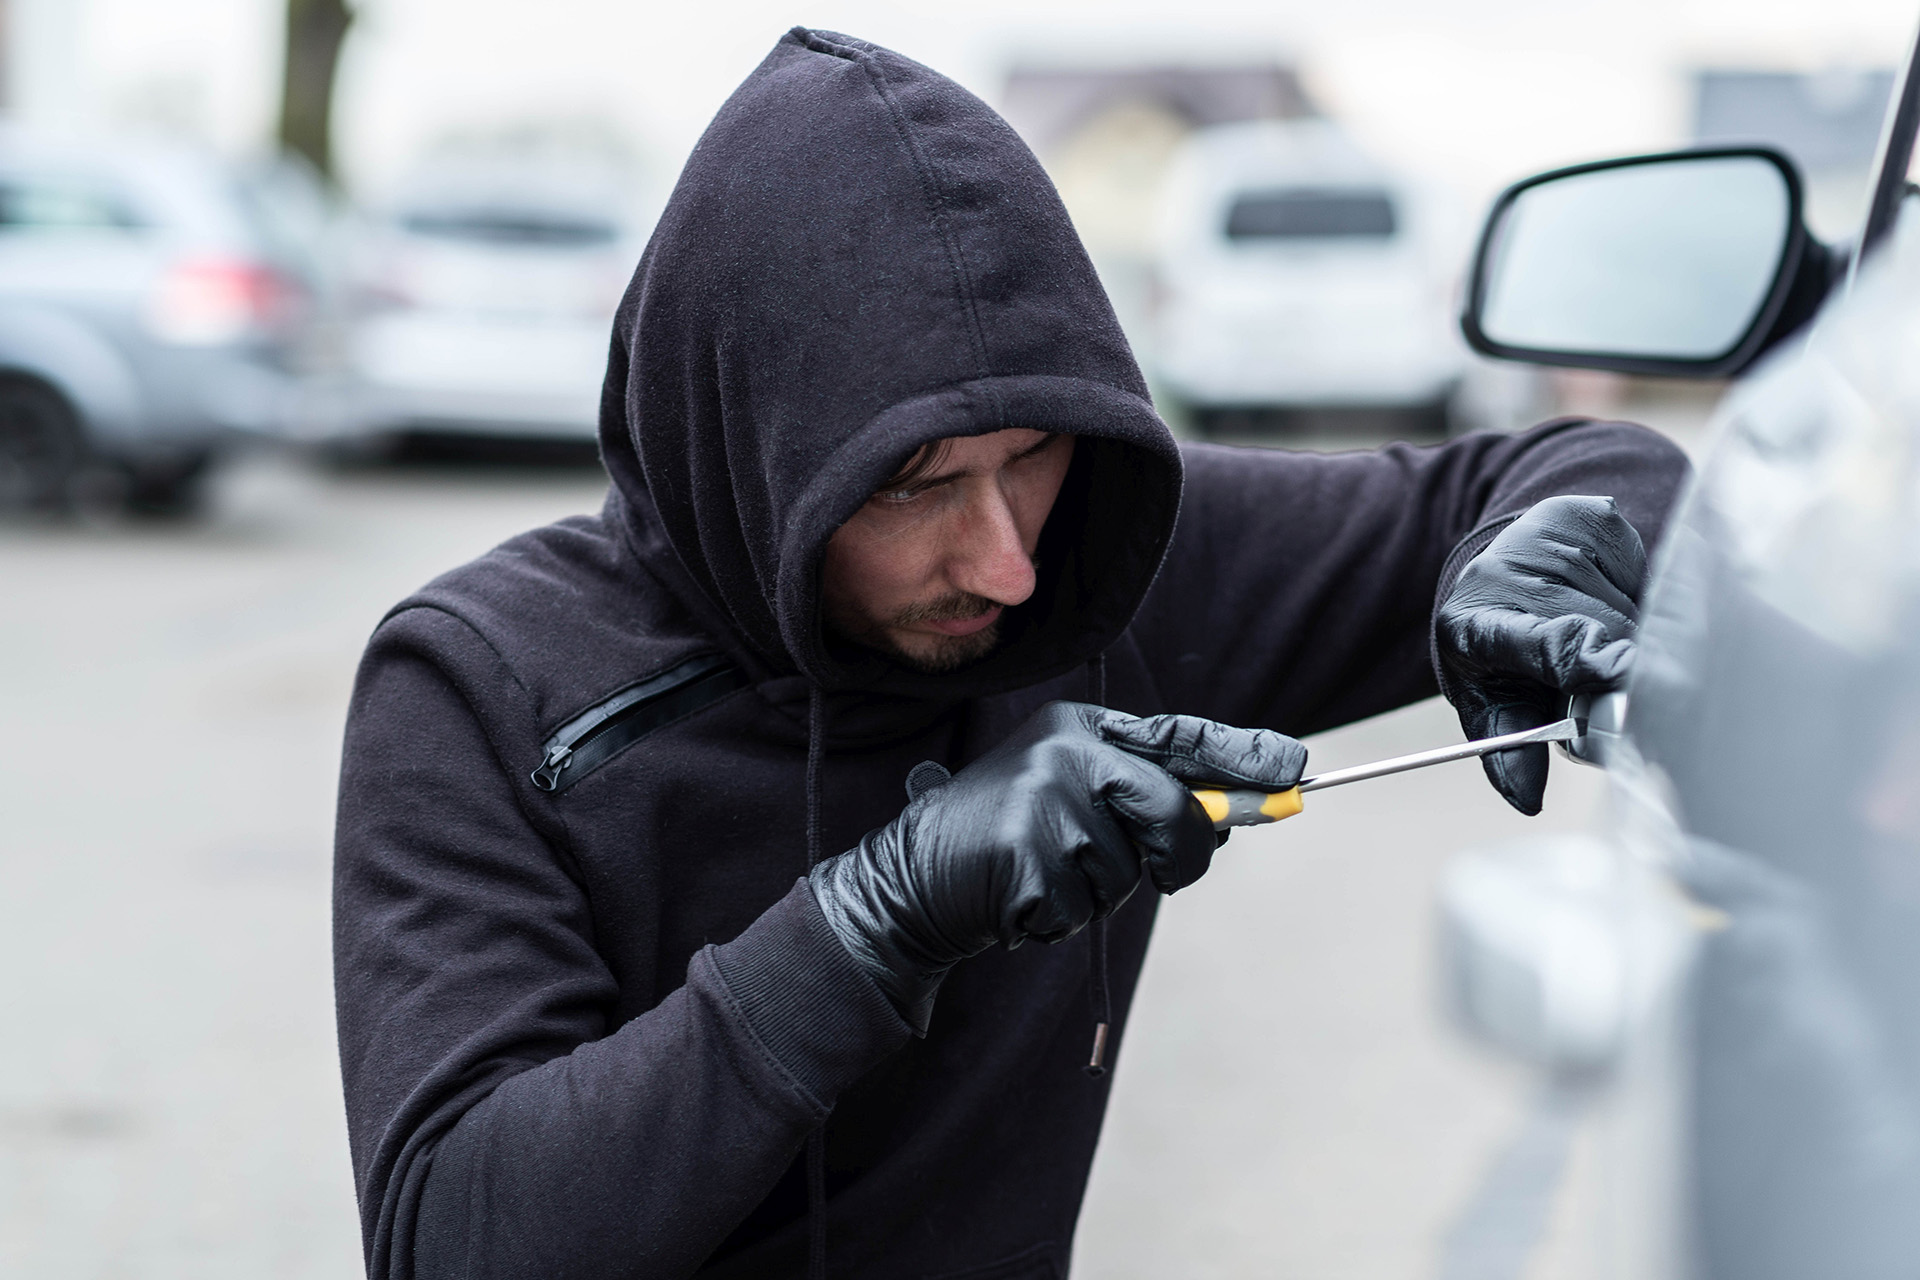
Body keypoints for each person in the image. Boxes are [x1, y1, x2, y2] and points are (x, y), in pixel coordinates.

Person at [332, 28, 1689, 1280]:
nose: (1005, 564)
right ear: (752, 447)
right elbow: (454, 1241)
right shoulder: (481, 685)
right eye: (912, 485)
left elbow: (1591, 463)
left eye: (1028, 456)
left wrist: (1543, 550)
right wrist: (871, 922)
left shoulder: (1105, 568)